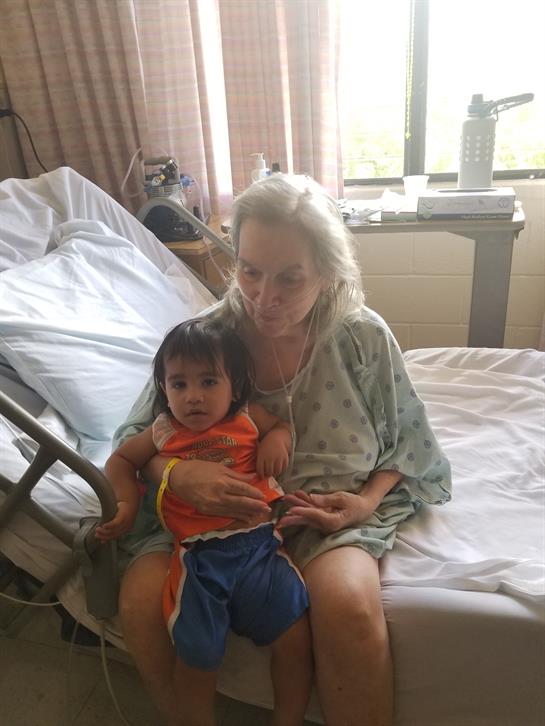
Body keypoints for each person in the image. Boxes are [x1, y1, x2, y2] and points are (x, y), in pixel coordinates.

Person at [113, 173, 452, 726]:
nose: (263, 299)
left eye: (290, 279)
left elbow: (408, 442)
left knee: (348, 605)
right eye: (249, 271)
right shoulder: (204, 341)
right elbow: (136, 440)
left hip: (322, 520)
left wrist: (365, 503)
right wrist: (174, 473)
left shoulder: (361, 338)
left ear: (327, 273)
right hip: (207, 525)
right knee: (139, 600)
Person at [97, 318, 312, 726]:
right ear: (164, 389)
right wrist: (126, 505)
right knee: (196, 658)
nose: (193, 396)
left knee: (296, 640)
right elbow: (121, 460)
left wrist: (276, 440)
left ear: (236, 385)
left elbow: (282, 425)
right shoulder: (163, 431)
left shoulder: (248, 417)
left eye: (209, 382)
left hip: (261, 549)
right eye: (179, 384)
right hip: (199, 560)